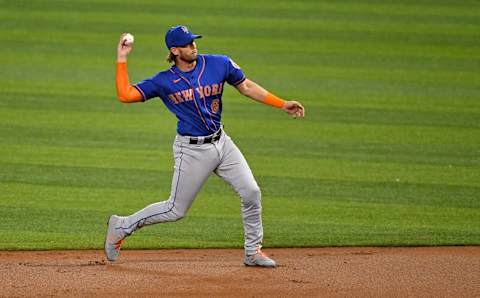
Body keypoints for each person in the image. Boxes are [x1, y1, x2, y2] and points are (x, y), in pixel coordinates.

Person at [104, 25, 305, 267]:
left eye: (194, 41)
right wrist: (122, 58)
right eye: (188, 44)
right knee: (175, 210)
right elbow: (125, 94)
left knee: (251, 192)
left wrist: (281, 104)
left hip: (222, 142)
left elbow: (247, 87)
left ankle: (253, 251)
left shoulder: (219, 64)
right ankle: (123, 225)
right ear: (175, 50)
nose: (193, 45)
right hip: (192, 151)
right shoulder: (164, 81)